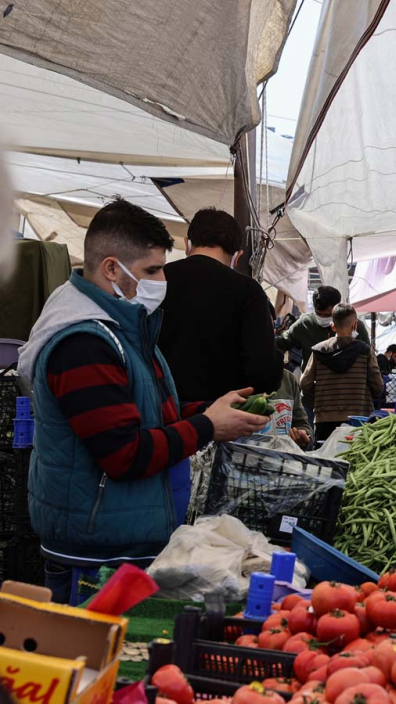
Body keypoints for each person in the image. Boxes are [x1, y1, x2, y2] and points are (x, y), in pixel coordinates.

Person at [16, 199, 268, 603]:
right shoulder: (83, 343)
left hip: (118, 541)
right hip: (94, 551)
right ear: (112, 268)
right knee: (87, 659)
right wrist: (207, 426)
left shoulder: (123, 329)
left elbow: (143, 413)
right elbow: (124, 453)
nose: (160, 280)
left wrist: (208, 410)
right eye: (151, 270)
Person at [158, 208, 283, 402]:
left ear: (187, 244)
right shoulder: (249, 291)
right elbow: (263, 371)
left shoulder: (157, 279)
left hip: (159, 411)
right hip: (223, 417)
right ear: (238, 256)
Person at [301, 303, 383, 442]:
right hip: (359, 420)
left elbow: (305, 383)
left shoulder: (318, 350)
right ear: (355, 325)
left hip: (325, 420)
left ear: (333, 326)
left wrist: (322, 396)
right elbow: (378, 386)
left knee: (325, 459)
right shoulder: (365, 351)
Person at [276, 286, 371, 369]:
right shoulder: (305, 324)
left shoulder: (355, 326)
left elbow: (369, 357)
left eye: (327, 315)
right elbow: (282, 342)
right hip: (313, 385)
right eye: (319, 314)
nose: (322, 318)